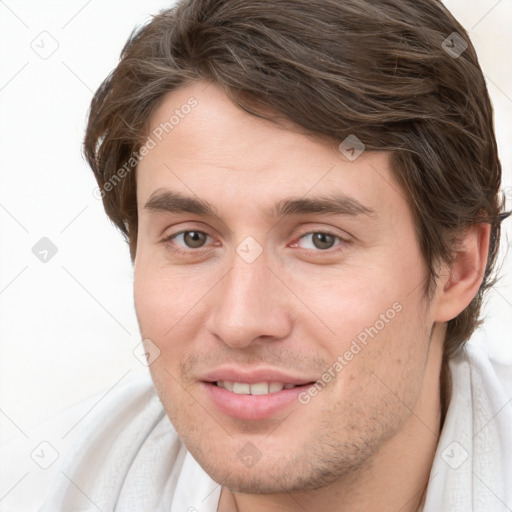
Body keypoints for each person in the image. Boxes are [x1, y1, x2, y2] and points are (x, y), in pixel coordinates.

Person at [2, 0, 511, 510]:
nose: (240, 321)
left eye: (320, 240)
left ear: (457, 268)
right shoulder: (37, 488)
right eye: (192, 238)